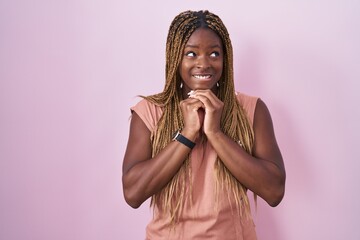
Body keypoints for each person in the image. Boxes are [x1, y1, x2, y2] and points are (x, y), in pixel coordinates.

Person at [122, 10, 286, 240]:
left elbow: (274, 191)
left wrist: (215, 132)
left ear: (225, 58)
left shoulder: (252, 110)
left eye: (214, 54)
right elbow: (133, 193)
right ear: (175, 57)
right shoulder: (149, 112)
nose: (204, 63)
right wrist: (187, 135)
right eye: (191, 53)